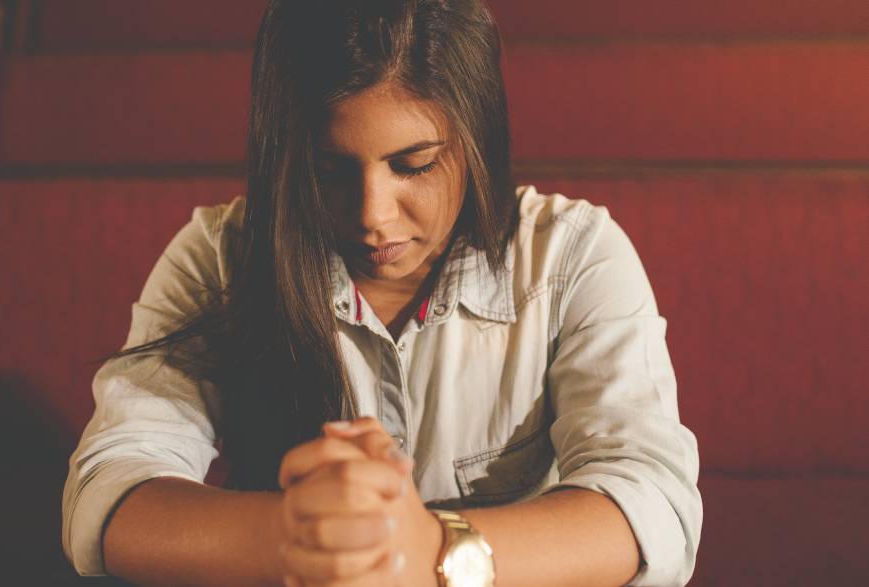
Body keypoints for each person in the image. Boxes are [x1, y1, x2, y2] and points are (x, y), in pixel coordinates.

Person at [62, 0, 702, 585]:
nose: (373, 215)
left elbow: (652, 506)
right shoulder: (223, 256)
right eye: (328, 170)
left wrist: (431, 551)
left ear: (476, 137)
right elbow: (110, 491)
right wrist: (298, 537)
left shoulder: (571, 255)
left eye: (414, 164)